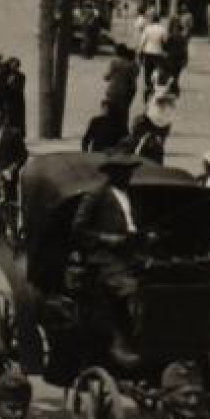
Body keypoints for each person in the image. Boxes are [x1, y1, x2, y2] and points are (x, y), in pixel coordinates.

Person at [70, 155, 143, 367]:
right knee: (130, 289)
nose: (129, 175)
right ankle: (119, 339)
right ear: (113, 173)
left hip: (130, 254)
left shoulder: (130, 195)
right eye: (124, 171)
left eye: (130, 171)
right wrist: (105, 238)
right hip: (102, 258)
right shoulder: (96, 195)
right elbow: (78, 230)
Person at [102, 44, 139, 146]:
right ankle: (122, 136)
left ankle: (109, 136)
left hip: (113, 90)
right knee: (123, 115)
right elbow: (134, 77)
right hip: (128, 92)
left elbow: (106, 76)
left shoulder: (115, 62)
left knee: (110, 113)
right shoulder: (133, 65)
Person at [136, 15, 169, 98]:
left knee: (147, 70)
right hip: (158, 53)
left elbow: (142, 41)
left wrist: (139, 52)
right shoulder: (162, 29)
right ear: (159, 20)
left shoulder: (147, 29)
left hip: (148, 52)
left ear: (152, 20)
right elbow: (165, 41)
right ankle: (154, 85)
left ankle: (148, 85)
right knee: (157, 70)